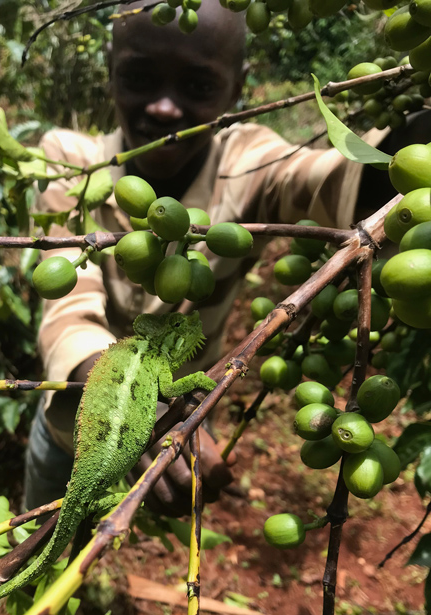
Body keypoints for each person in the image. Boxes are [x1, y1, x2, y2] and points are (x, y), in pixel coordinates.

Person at [23, 0, 413, 514]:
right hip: (75, 419)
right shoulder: (71, 169)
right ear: (110, 74)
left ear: (237, 87)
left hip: (177, 421)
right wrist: (130, 408)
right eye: (140, 76)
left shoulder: (249, 161)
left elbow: (332, 179)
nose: (165, 108)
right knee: (43, 520)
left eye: (198, 86)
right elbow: (68, 313)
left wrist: (411, 140)